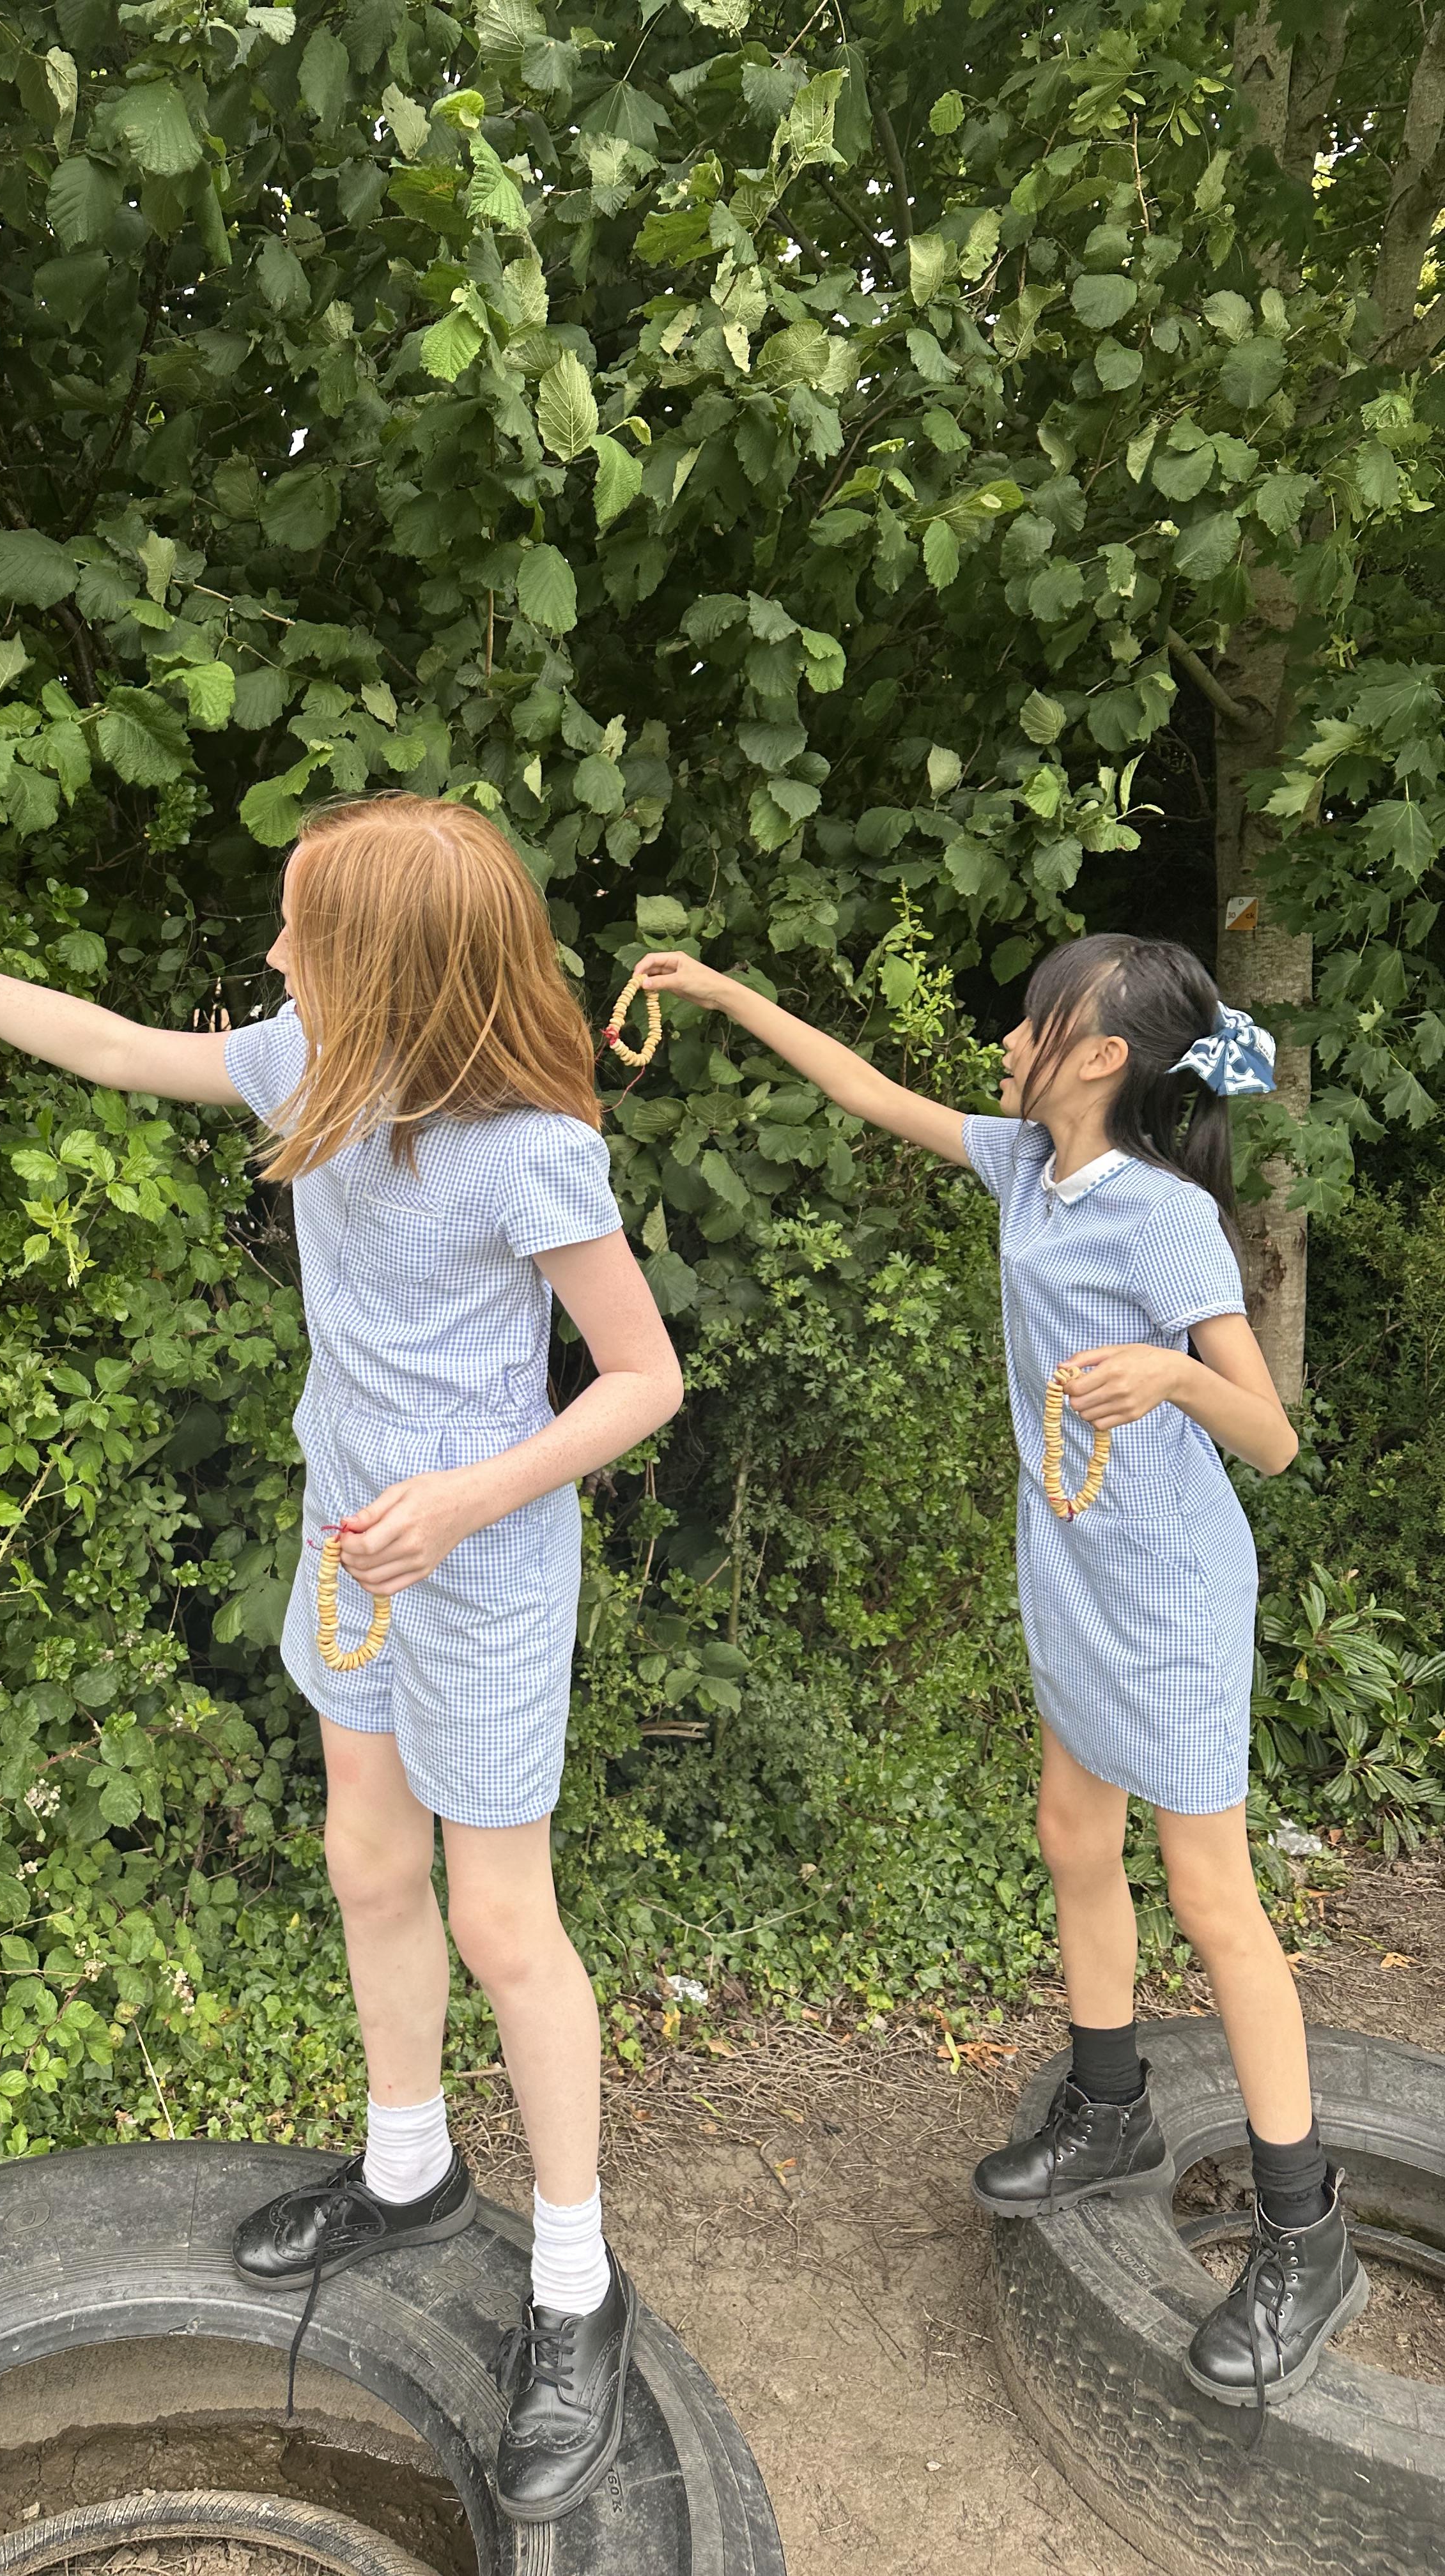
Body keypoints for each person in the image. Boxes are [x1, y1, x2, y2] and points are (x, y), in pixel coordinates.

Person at [0, 790, 683, 2522]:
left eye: (303, 928)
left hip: (478, 1567)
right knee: (365, 1857)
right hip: (347, 1538)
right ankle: (409, 2170)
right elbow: (105, 1043)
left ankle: (573, 2282)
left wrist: (467, 1499)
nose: (275, 952)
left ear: (388, 965)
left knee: (500, 1921)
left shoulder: (529, 1149)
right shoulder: (317, 1065)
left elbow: (642, 1380)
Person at [637, 931, 1364, 2424]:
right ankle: (1110, 2107)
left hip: (1170, 1587)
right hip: (1076, 1564)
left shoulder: (1166, 1220)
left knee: (1213, 1896)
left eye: (1036, 1023)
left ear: (1100, 1057)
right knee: (1071, 1831)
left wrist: (1172, 1375)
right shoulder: (1028, 1164)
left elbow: (1273, 1436)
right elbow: (865, 1090)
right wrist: (721, 991)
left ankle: (1308, 2232)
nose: (1011, 1039)